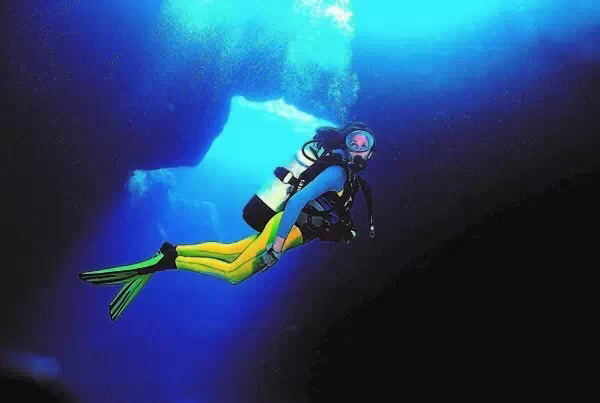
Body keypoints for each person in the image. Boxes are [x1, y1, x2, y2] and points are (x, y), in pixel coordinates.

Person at [79, 122, 376, 321]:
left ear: (371, 151)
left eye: (365, 144)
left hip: (292, 230)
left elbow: (327, 212)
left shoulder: (349, 177)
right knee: (234, 274)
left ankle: (172, 250)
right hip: (286, 228)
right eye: (356, 142)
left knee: (231, 251)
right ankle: (168, 262)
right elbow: (298, 202)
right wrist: (276, 247)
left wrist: (342, 229)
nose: (360, 148)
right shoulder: (338, 172)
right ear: (347, 144)